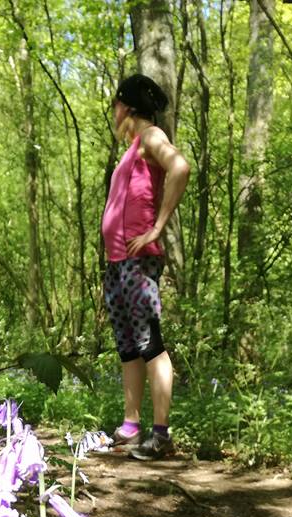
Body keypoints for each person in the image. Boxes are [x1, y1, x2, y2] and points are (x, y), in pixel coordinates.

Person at [101, 74, 190, 459]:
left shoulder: (151, 135)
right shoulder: (131, 148)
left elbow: (180, 167)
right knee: (127, 349)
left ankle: (161, 434)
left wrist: (157, 227)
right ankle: (131, 427)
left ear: (127, 107)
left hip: (138, 261)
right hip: (118, 262)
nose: (114, 113)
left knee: (150, 344)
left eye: (116, 106)